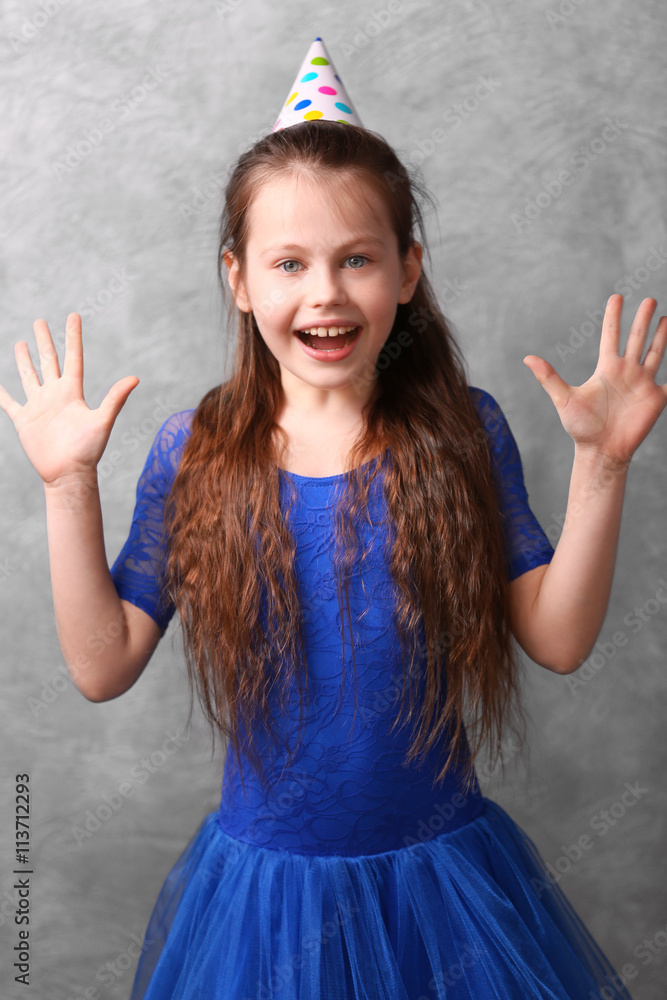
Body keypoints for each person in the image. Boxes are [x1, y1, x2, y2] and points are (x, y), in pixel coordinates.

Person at [2, 35, 665, 1000]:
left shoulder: (463, 434)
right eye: (289, 263)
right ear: (239, 279)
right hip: (262, 902)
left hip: (439, 889)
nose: (324, 293)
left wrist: (601, 467)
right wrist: (68, 485)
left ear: (407, 270)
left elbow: (557, 641)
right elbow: (102, 666)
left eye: (357, 259)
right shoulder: (197, 450)